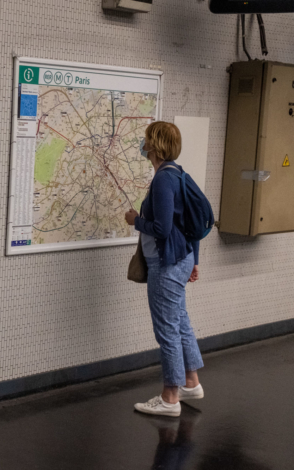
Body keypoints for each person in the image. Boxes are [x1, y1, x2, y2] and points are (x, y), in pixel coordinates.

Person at [124, 121, 205, 417]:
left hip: (167, 264)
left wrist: (135, 221)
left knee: (167, 331)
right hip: (181, 259)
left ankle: (170, 397)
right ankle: (190, 382)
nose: (142, 144)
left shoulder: (162, 180)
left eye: (146, 139)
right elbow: (190, 226)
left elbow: (162, 227)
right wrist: (194, 259)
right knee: (180, 321)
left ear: (154, 145)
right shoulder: (178, 174)